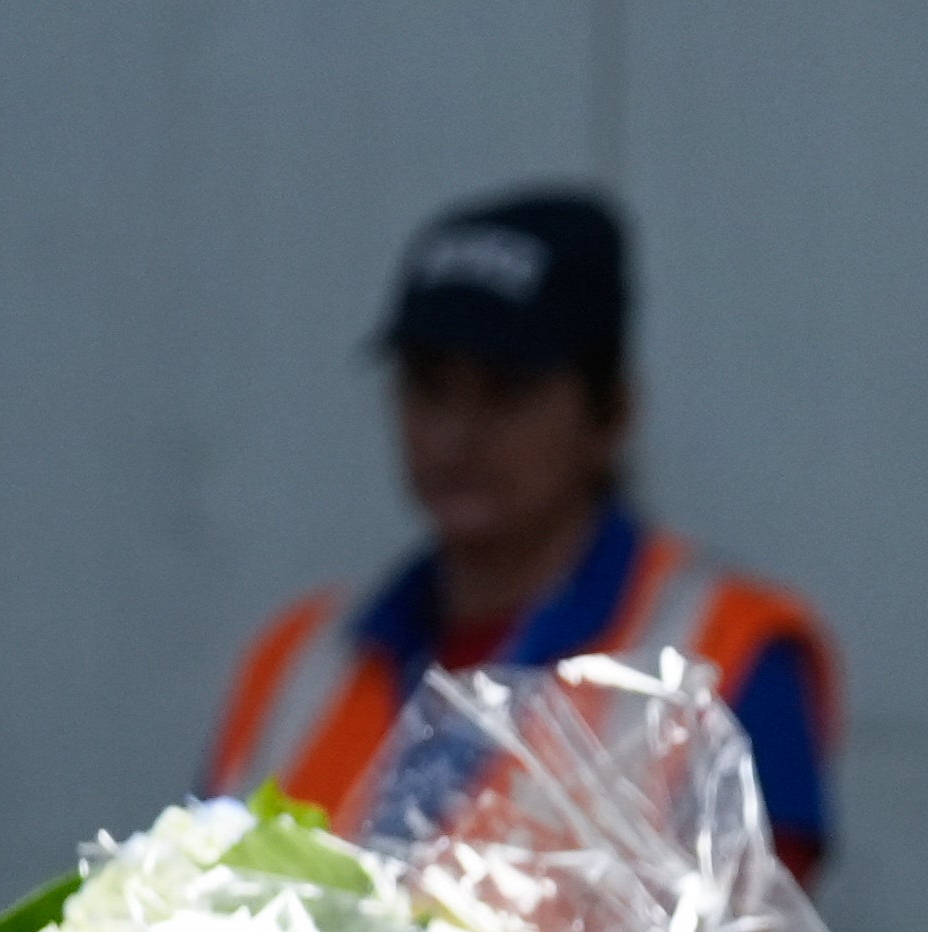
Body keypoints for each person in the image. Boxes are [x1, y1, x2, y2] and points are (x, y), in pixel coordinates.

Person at [203, 188, 841, 881]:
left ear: (612, 413)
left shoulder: (729, 650)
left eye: (506, 391)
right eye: (427, 387)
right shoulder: (299, 659)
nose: (456, 435)